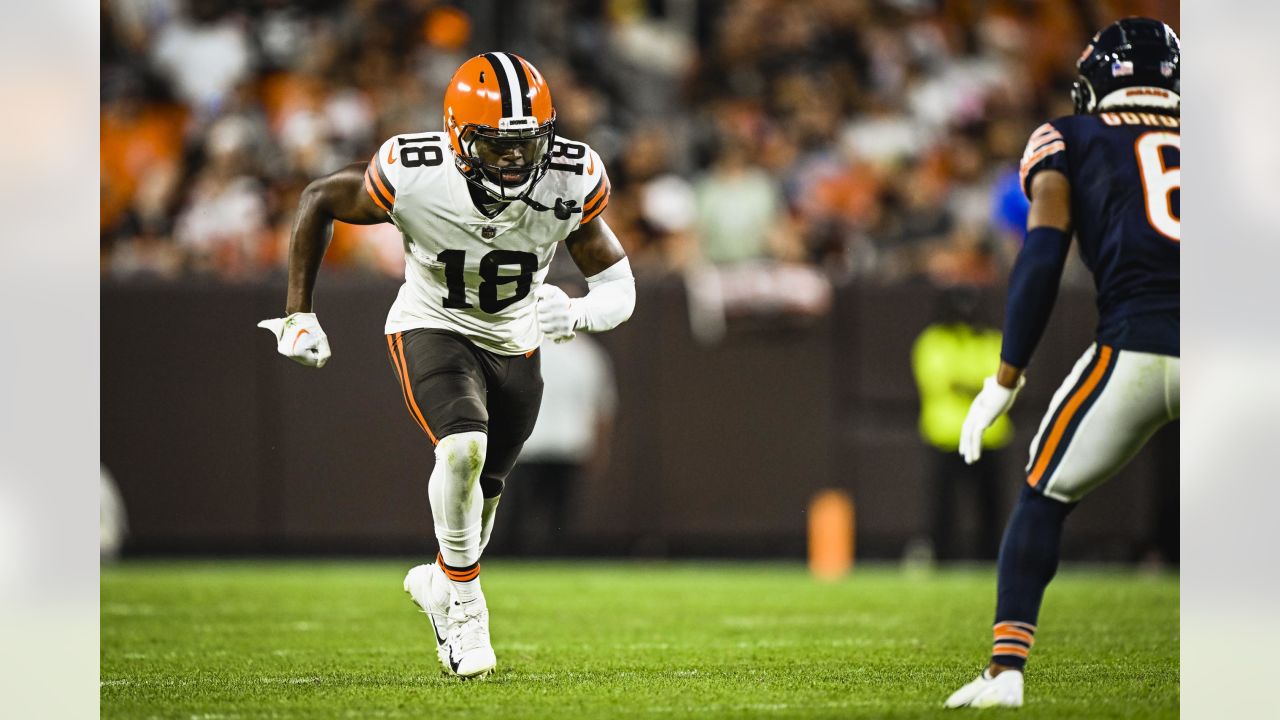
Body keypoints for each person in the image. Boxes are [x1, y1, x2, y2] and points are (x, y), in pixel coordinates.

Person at [257, 52, 635, 679]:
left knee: (483, 496)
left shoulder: (571, 178)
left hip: (515, 343)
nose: (515, 161)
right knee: (461, 449)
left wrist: (581, 313)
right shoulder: (415, 173)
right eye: (497, 146)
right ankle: (465, 609)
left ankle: (441, 580)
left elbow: (620, 288)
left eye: (527, 144)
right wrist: (300, 312)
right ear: (459, 138)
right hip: (433, 324)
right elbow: (320, 197)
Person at [943, 18, 1180, 708]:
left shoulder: (1069, 136)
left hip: (1132, 345)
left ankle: (1006, 671)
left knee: (1043, 496)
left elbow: (1043, 254)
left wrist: (1006, 376)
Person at [911, 287, 1010, 562]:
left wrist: (969, 384)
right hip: (947, 434)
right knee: (943, 504)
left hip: (988, 435)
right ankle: (941, 557)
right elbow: (940, 381)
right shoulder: (933, 340)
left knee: (991, 504)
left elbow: (1005, 381)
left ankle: (990, 558)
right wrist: (980, 386)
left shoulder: (994, 340)